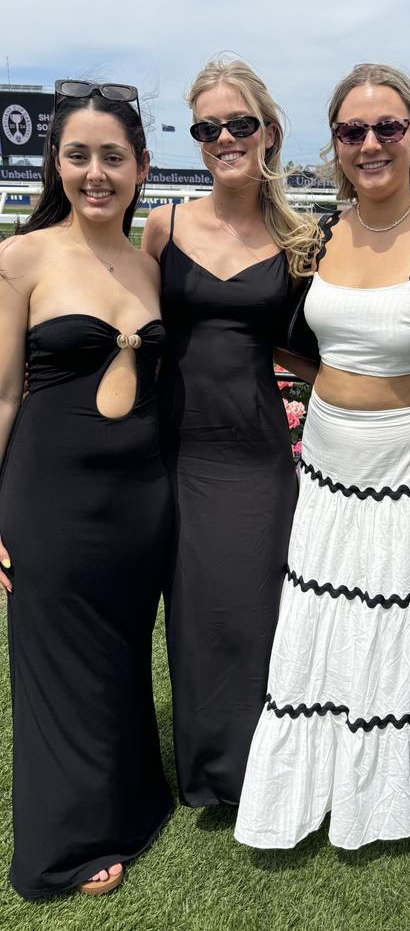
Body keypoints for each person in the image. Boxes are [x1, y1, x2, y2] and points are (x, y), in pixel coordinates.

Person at [234, 63, 410, 850]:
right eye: (353, 131)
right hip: (324, 459)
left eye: (389, 127)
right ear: (337, 143)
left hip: (408, 468)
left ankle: (403, 794)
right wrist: (331, 389)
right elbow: (305, 344)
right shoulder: (322, 233)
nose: (371, 143)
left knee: (398, 623)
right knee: (327, 620)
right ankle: (316, 785)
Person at [0, 80, 172, 899]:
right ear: (55, 164)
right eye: (79, 156)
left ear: (141, 166)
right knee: (57, 668)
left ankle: (133, 802)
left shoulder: (148, 266)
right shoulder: (22, 258)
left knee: (121, 658)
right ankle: (62, 848)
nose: (95, 172)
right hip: (51, 498)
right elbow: (0, 395)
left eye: (113, 157)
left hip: (142, 501)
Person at [142, 59, 318, 807]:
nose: (224, 138)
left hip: (254, 450)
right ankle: (207, 771)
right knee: (193, 610)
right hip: (174, 446)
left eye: (238, 124)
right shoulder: (165, 223)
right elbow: (135, 325)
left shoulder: (299, 237)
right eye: (207, 127)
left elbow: (307, 349)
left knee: (254, 611)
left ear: (268, 132)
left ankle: (261, 771)